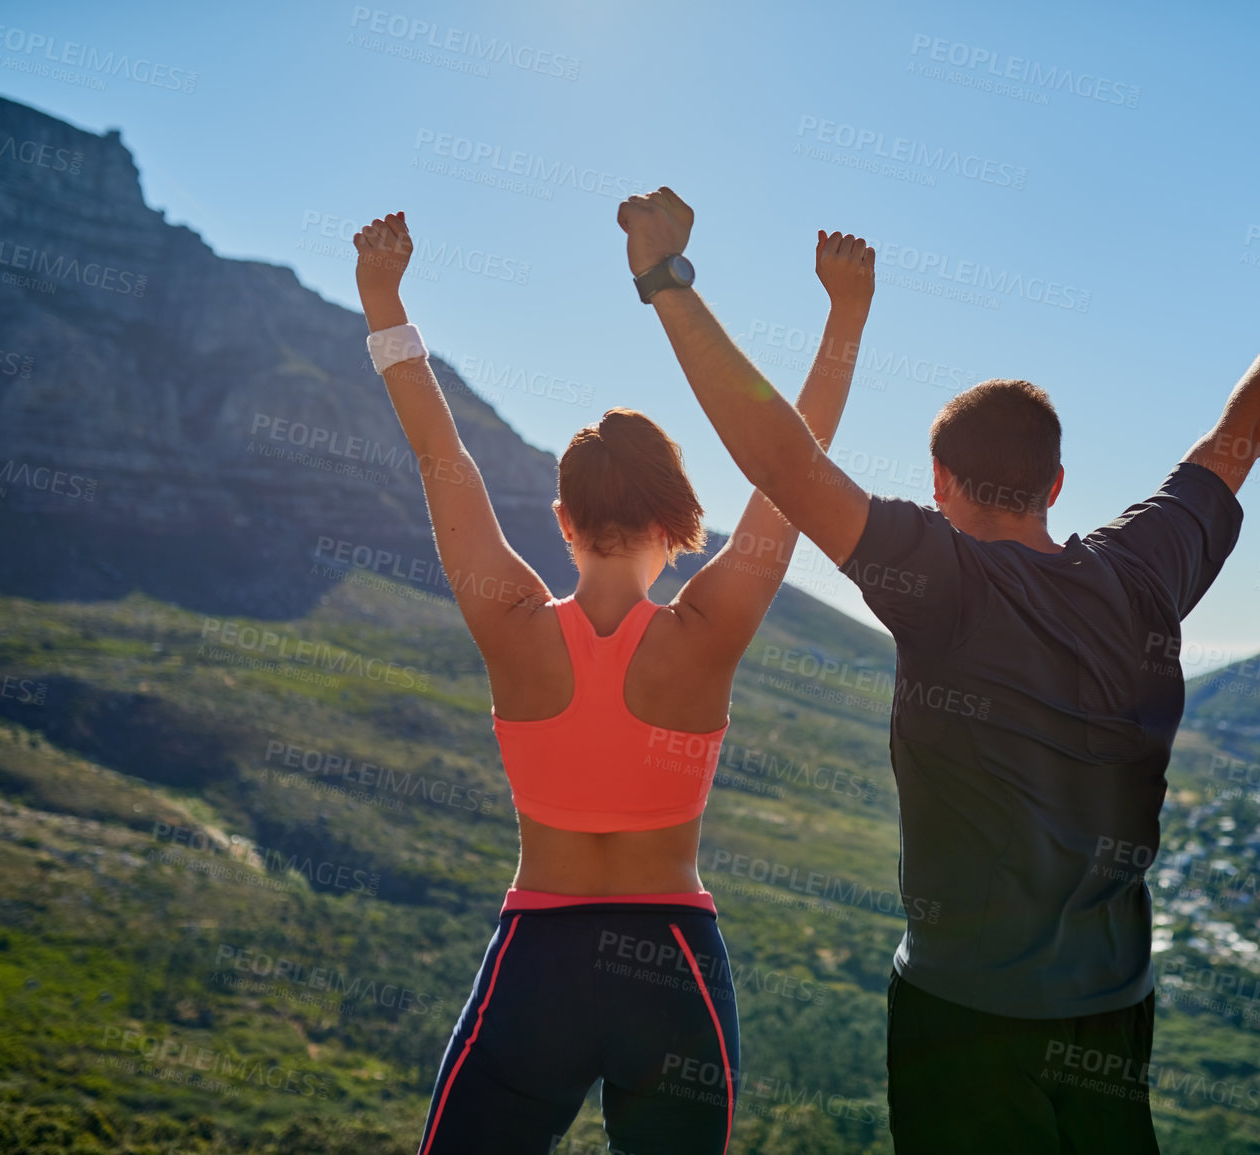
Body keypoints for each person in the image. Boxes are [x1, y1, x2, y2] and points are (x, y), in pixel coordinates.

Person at [619, 188, 1260, 1152]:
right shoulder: (1143, 573)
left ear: (938, 485)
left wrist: (665, 281)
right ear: (1055, 483)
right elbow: (1239, 440)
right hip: (1114, 1010)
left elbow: (781, 458)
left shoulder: (940, 582)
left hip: (962, 1015)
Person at [349, 210, 876, 1154]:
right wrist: (845, 315)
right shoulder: (706, 634)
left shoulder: (510, 625)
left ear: (561, 518)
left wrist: (385, 298)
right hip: (671, 965)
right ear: (681, 523)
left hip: (534, 963)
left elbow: (443, 459)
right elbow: (793, 468)